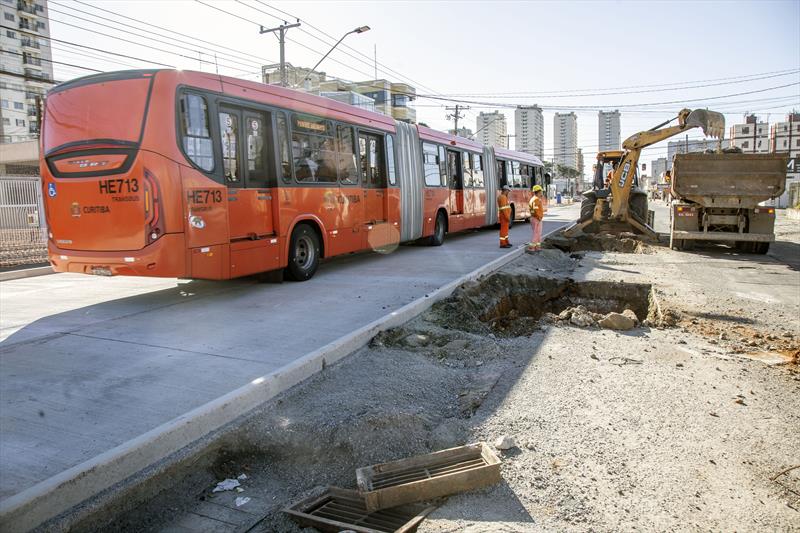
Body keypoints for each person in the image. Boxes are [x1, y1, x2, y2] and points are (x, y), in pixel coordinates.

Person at [528, 185, 545, 251]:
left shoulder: (533, 199)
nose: (542, 193)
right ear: (538, 192)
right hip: (536, 218)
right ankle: (532, 247)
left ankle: (537, 247)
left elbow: (533, 210)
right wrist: (539, 217)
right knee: (537, 233)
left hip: (534, 218)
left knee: (537, 233)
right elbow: (536, 210)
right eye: (541, 191)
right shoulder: (536, 200)